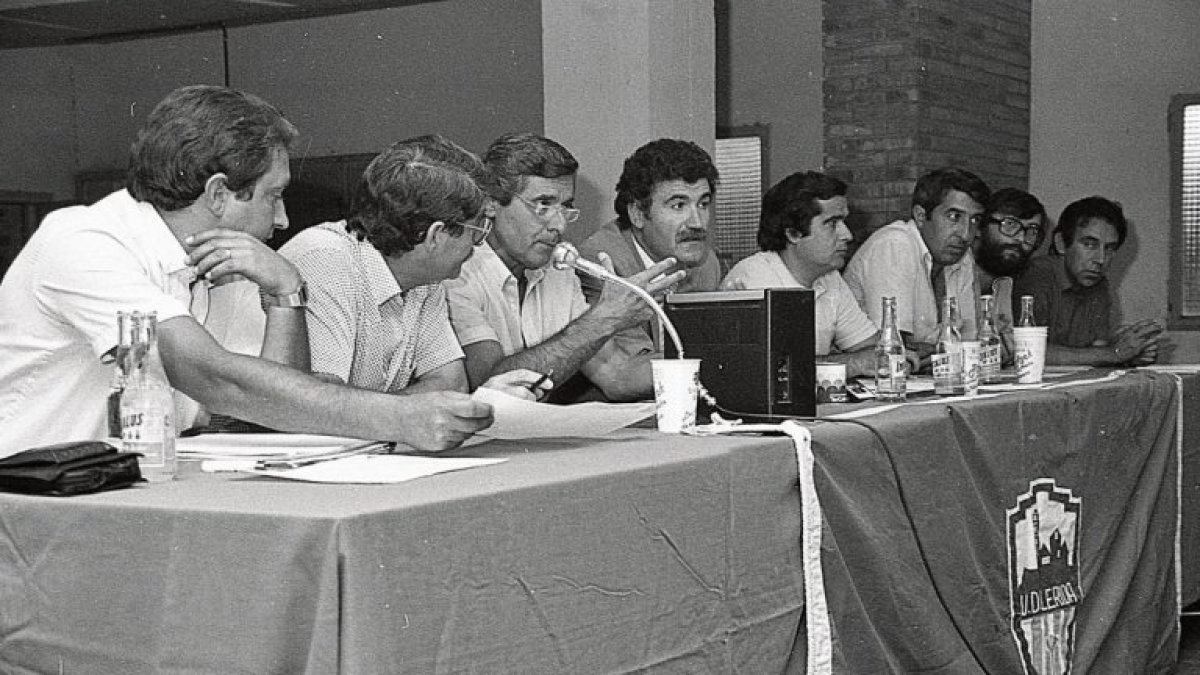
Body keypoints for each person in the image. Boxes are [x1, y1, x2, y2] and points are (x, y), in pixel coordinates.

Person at [0, 85, 522, 457]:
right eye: (273, 196)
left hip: (126, 492)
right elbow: (212, 377)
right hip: (32, 500)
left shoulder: (229, 259)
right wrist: (397, 418)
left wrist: (286, 293)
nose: (283, 219)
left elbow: (275, 402)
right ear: (219, 194)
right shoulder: (83, 240)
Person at [444, 132, 683, 402]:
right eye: (543, 205)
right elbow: (491, 385)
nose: (560, 225)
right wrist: (604, 318)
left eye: (565, 207)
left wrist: (711, 358)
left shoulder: (559, 271)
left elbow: (617, 376)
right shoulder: (456, 272)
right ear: (490, 204)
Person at [720, 171, 879, 377]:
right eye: (832, 223)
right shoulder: (752, 280)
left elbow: (875, 350)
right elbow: (775, 372)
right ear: (793, 233)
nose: (847, 235)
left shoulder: (829, 277)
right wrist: (853, 364)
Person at [844, 167, 990, 352]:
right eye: (954, 217)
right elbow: (895, 347)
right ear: (921, 216)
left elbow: (971, 343)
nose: (965, 233)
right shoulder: (895, 244)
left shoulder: (962, 255)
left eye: (975, 220)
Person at [1011, 196, 1162, 366]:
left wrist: (1130, 354)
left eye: (1110, 248)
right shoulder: (1036, 276)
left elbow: (1097, 351)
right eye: (1089, 245)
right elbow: (1024, 351)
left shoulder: (1098, 285)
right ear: (1061, 243)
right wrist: (1114, 353)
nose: (1100, 259)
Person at [578, 138, 721, 299]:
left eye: (703, 204)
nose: (697, 223)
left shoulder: (707, 265)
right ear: (637, 214)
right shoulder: (602, 264)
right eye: (678, 206)